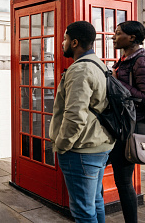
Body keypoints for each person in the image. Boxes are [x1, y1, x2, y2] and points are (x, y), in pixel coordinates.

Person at [49, 21, 115, 223]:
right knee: (95, 203)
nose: (62, 43)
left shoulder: (79, 70)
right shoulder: (98, 63)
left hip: (81, 150)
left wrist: (61, 145)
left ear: (75, 42)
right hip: (100, 144)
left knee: (83, 213)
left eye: (65, 39)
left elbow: (74, 116)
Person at [111, 21, 145, 223]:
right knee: (120, 179)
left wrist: (116, 81)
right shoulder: (125, 60)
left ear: (131, 38)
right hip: (122, 124)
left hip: (133, 126)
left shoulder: (142, 62)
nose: (114, 37)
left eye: (118, 33)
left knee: (123, 181)